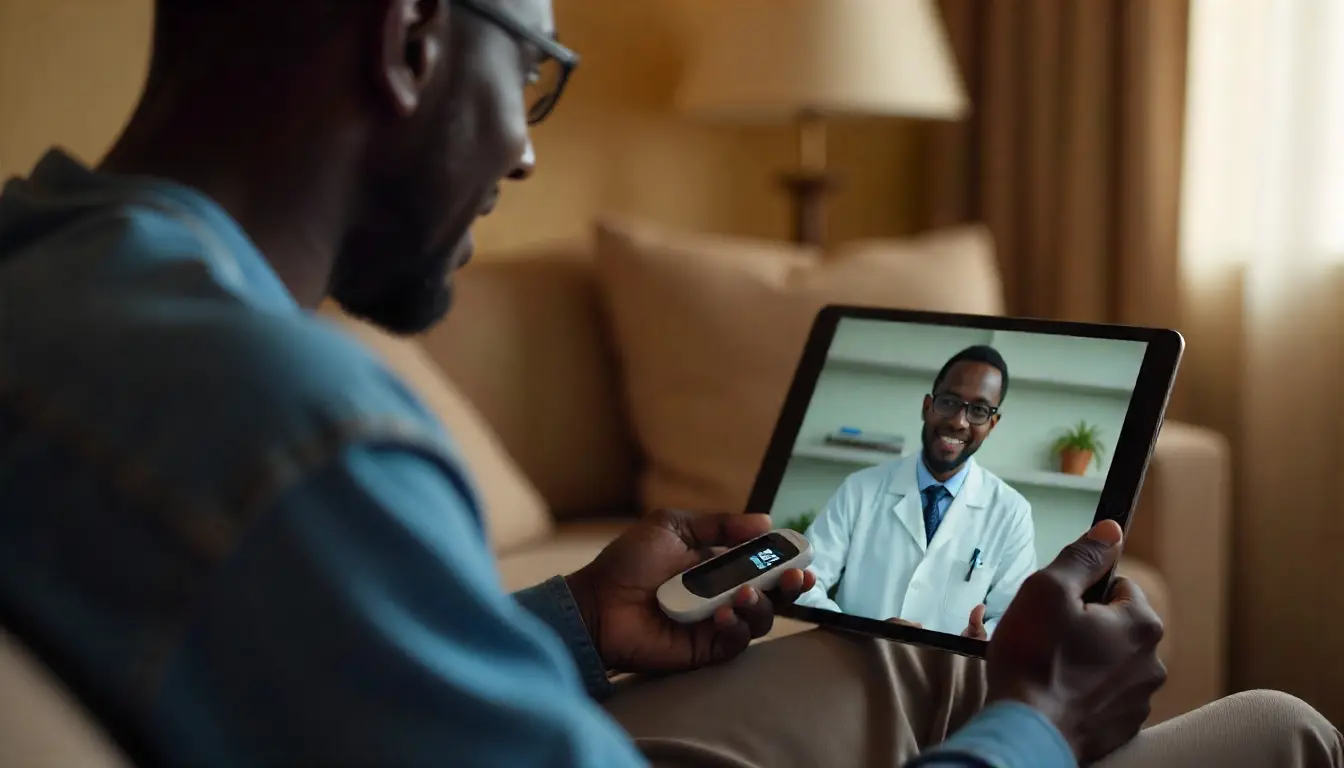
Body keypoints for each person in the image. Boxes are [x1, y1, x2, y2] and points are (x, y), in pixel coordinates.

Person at [0, 1, 1338, 767]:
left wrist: (576, 621)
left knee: (896, 660)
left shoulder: (42, 273)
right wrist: (1037, 727)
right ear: (410, 40)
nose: (524, 155)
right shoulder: (310, 437)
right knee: (1277, 728)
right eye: (532, 74)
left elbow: (310, 653)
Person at [797, 346, 1035, 639]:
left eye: (978, 410)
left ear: (992, 424)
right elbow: (804, 582)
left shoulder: (1011, 512)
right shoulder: (859, 489)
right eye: (949, 402)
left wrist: (980, 644)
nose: (958, 421)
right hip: (853, 658)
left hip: (948, 667)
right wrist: (862, 635)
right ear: (927, 406)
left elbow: (1014, 617)